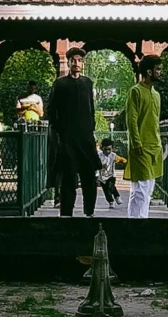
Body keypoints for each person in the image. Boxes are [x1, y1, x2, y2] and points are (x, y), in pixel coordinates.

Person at [47, 46, 99, 218]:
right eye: (74, 60)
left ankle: (89, 213)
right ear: (69, 63)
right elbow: (51, 110)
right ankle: (66, 215)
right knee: (69, 179)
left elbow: (91, 108)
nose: (77, 63)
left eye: (79, 60)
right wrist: (60, 132)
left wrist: (91, 129)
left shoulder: (87, 83)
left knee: (89, 178)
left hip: (86, 138)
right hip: (68, 139)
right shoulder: (60, 84)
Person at [123, 54, 165, 217]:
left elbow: (155, 121)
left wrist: (160, 142)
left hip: (155, 146)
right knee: (139, 188)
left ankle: (143, 221)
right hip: (140, 146)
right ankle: (135, 222)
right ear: (149, 71)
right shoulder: (135, 92)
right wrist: (136, 143)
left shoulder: (156, 95)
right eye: (158, 69)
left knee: (148, 188)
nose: (160, 72)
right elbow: (131, 120)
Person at [97, 136, 120, 208]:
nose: (107, 151)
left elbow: (120, 160)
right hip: (102, 177)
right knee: (106, 190)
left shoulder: (113, 155)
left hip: (111, 175)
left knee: (111, 186)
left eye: (109, 149)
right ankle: (111, 201)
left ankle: (117, 196)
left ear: (112, 148)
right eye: (105, 149)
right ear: (102, 148)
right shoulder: (99, 155)